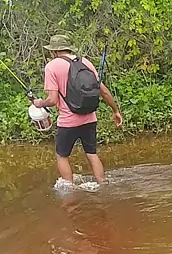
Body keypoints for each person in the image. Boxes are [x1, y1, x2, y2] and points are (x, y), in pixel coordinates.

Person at [33, 33, 123, 185]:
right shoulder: (85, 62)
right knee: (92, 153)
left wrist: (40, 103)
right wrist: (115, 111)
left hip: (68, 122)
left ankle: (69, 190)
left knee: (62, 156)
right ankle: (102, 184)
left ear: (54, 51)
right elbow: (104, 91)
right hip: (90, 118)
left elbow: (52, 100)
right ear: (68, 48)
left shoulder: (51, 67)